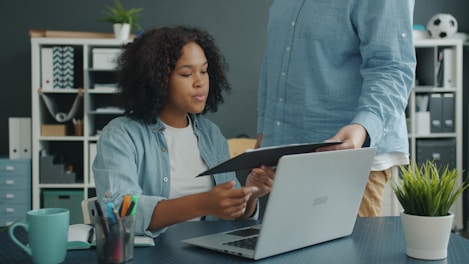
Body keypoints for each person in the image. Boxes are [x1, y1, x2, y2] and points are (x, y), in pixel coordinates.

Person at [93, 26, 274, 237]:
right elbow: (120, 210)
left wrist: (250, 195)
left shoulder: (211, 134)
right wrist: (203, 203)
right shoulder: (120, 135)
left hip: (209, 252)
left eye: (204, 71)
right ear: (157, 79)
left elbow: (232, 218)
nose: (200, 82)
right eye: (187, 73)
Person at [256, 1, 416, 216]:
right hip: (289, 156)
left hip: (349, 159)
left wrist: (362, 128)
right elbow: (274, 60)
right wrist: (265, 132)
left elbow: (392, 66)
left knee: (351, 250)